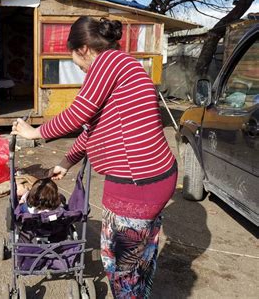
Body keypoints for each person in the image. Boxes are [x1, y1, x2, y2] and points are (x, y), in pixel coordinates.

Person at [12, 16, 177, 298]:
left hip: (134, 184)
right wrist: (65, 162)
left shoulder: (108, 63)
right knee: (140, 259)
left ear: (84, 49)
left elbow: (78, 113)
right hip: (156, 177)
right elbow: (91, 130)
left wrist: (35, 132)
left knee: (121, 268)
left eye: (75, 59)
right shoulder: (123, 66)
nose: (79, 68)